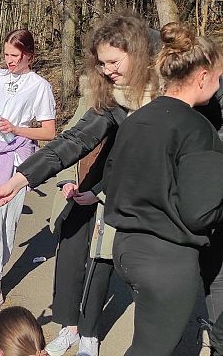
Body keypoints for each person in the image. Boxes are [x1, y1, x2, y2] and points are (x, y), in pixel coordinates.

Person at [0, 13, 161, 355]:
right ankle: (70, 327)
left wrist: (99, 192)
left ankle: (91, 331)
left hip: (117, 198)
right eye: (101, 63)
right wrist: (24, 179)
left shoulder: (170, 97)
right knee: (69, 262)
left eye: (113, 61)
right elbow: (72, 140)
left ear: (138, 54)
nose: (106, 70)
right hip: (77, 188)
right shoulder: (105, 96)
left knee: (101, 264)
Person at [103, 22, 223, 356]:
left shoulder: (135, 120)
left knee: (147, 340)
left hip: (127, 250)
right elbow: (200, 215)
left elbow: (113, 180)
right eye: (218, 77)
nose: (218, 84)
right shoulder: (198, 129)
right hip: (167, 261)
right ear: (202, 76)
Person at [0, 29, 56, 316]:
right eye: (6, 55)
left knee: (7, 222)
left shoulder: (39, 85)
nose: (9, 61)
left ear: (29, 55)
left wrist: (16, 128)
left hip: (18, 159)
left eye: (15, 56)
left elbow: (49, 131)